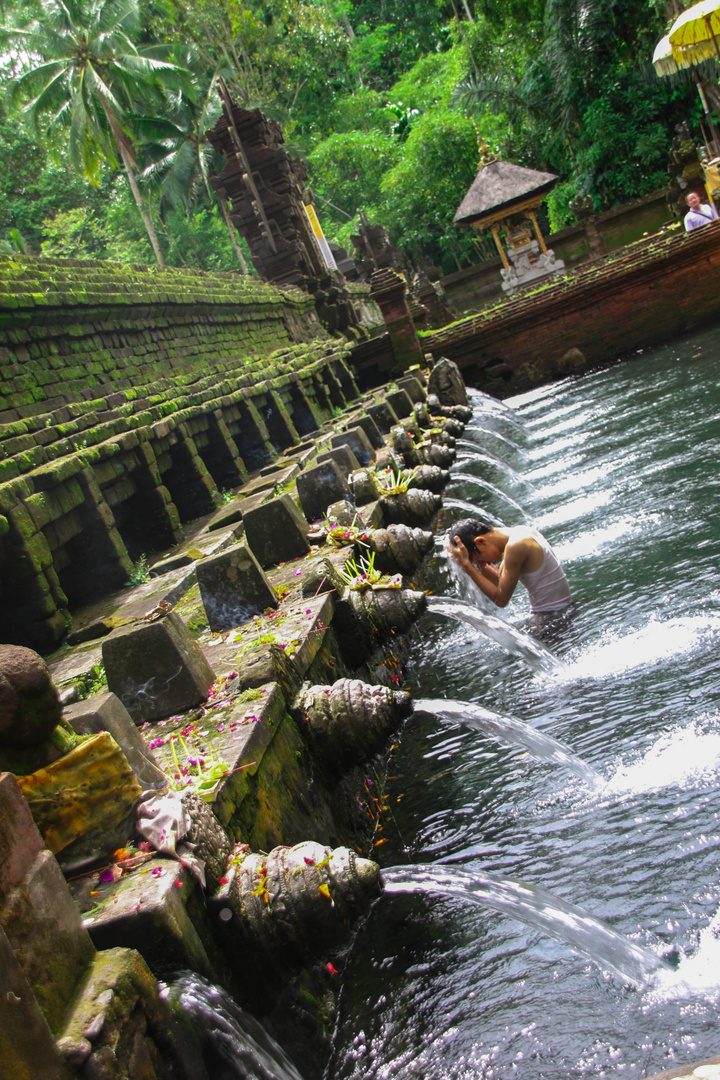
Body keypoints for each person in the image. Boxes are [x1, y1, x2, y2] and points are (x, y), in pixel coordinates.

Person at [448, 518, 572, 614]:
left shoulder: (516, 546)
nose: (481, 562)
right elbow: (499, 582)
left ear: (480, 541)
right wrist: (481, 566)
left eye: (478, 558)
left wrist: (467, 567)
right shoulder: (521, 532)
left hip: (552, 618)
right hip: (562, 611)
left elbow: (501, 600)